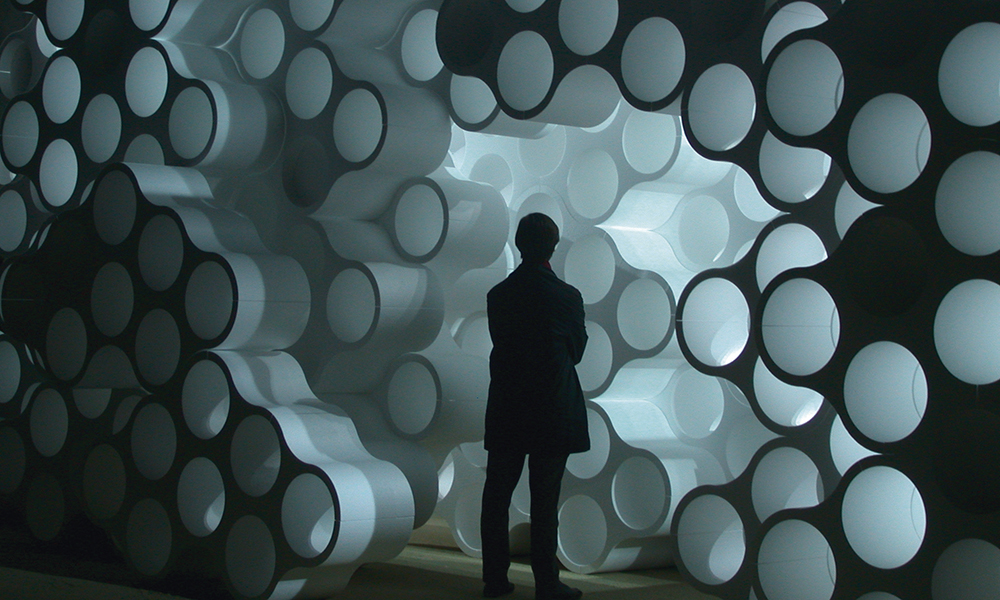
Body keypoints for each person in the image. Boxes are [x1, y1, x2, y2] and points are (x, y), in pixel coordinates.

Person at [481, 213, 589, 600]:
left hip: (508, 408)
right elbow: (576, 350)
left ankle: (494, 580)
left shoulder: (498, 296)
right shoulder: (567, 297)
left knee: (496, 497)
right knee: (545, 500)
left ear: (518, 244)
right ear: (553, 247)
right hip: (552, 411)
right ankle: (547, 582)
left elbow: (502, 344)